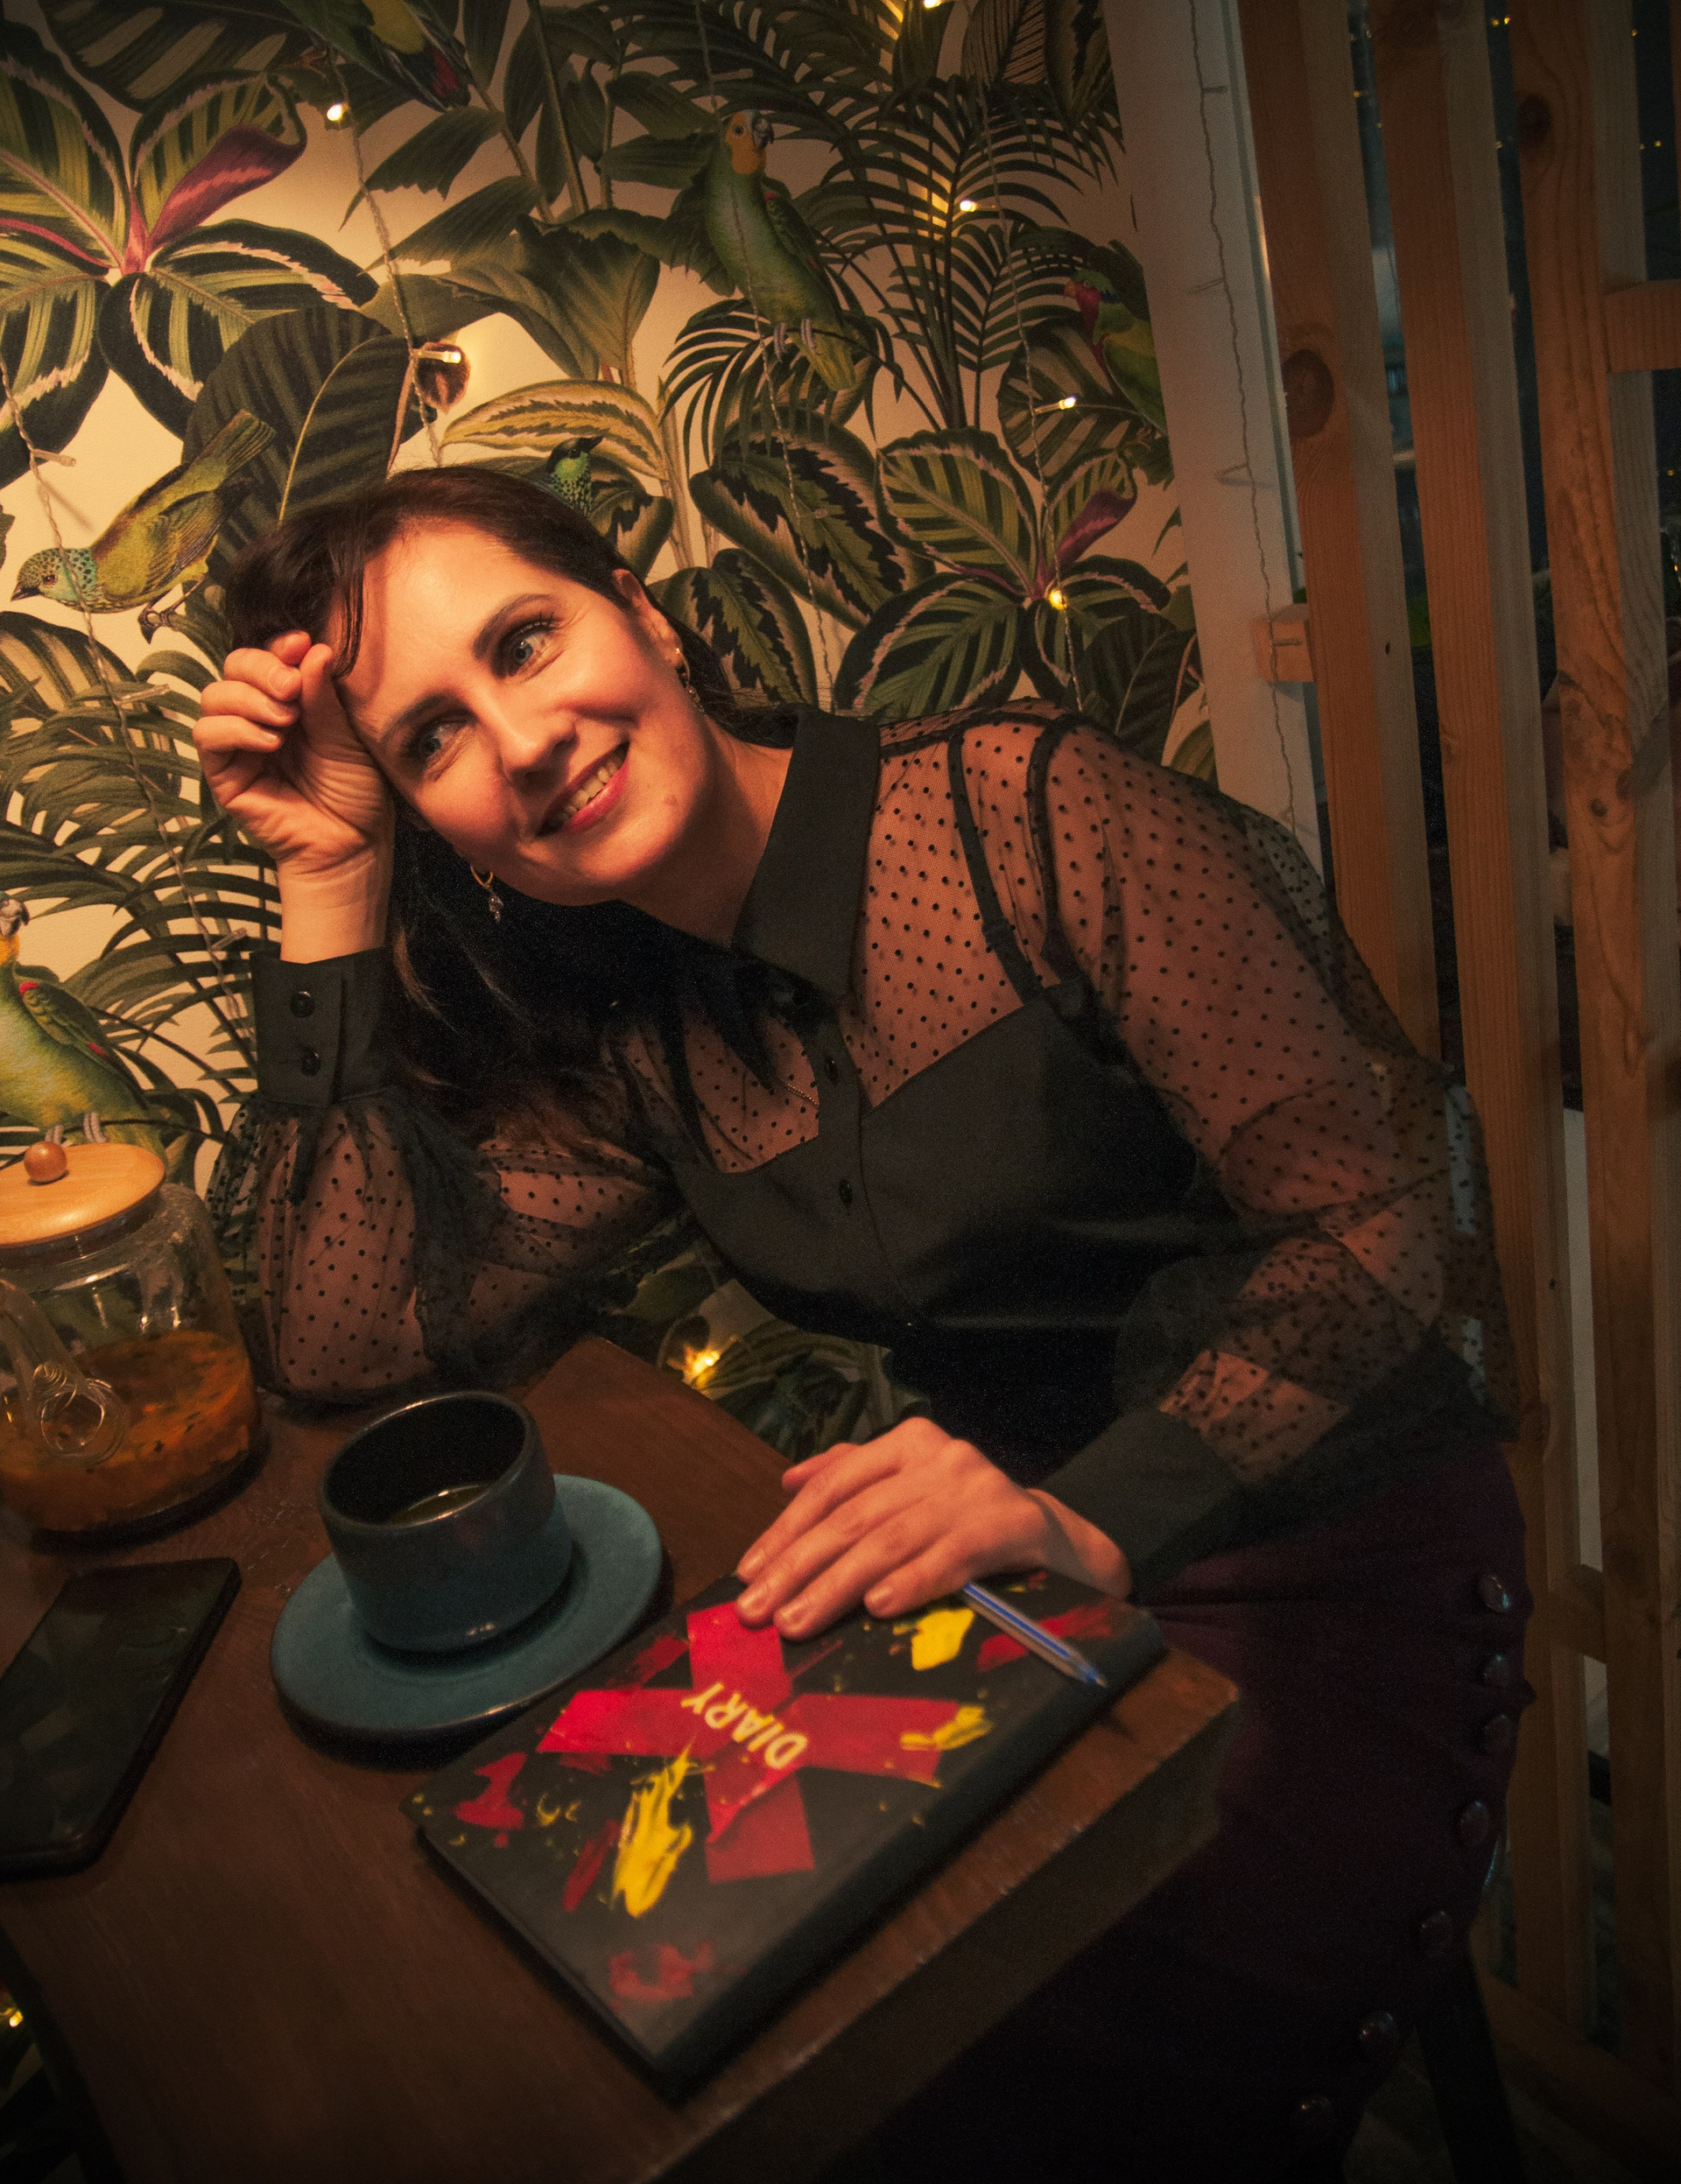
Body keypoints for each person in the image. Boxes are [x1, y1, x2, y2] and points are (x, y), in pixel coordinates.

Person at [194, 466, 1530, 2181]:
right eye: (432, 738)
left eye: (525, 643)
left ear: (646, 617)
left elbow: (1390, 1219)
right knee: (742, 2015)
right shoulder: (631, 1034)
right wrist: (325, 882)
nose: (520, 741)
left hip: (1318, 1535)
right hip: (985, 1572)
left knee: (988, 2048)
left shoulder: (1033, 811)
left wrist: (1091, 1520)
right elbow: (341, 1343)